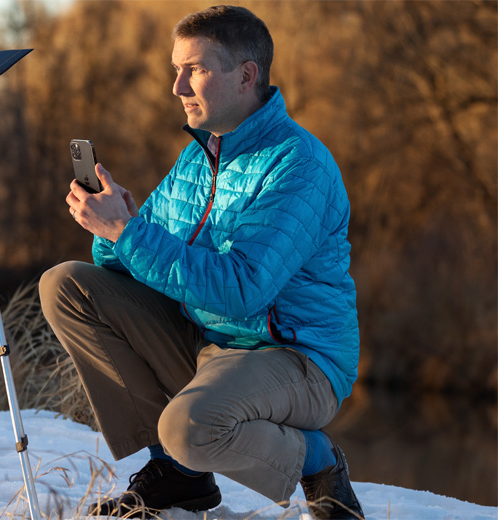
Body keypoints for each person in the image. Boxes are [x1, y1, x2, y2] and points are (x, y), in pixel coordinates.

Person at [39, 5, 365, 520]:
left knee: (188, 428)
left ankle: (319, 460)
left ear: (246, 76)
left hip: (294, 357)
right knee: (67, 285)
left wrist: (128, 232)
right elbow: (133, 264)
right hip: (211, 343)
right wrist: (115, 226)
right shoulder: (198, 156)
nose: (177, 87)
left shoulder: (298, 164)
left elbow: (243, 289)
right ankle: (176, 475)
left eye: (194, 69)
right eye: (177, 69)